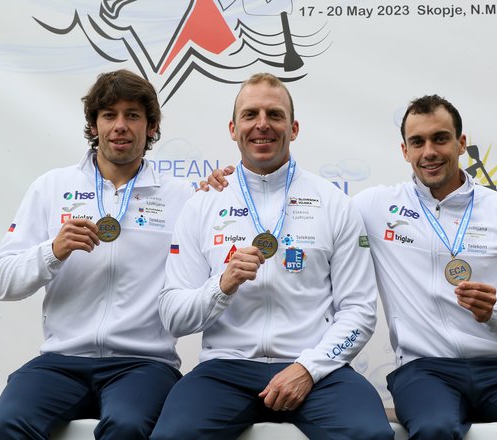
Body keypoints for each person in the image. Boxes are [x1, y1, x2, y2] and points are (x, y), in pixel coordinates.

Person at [150, 73, 394, 440]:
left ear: (293, 128)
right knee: (172, 436)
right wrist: (222, 285)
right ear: (233, 129)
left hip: (317, 368)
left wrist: (308, 368)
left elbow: (358, 311)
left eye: (274, 115)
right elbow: (173, 317)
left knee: (370, 434)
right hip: (226, 369)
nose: (262, 124)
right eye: (250, 115)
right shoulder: (202, 203)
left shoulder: (334, 203)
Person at [351, 94, 497, 439]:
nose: (429, 151)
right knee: (435, 429)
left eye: (440, 138)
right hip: (425, 370)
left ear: (461, 144)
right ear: (405, 151)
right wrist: (240, 184)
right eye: (417, 142)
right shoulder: (375, 206)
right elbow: (316, 212)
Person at [0, 69, 194, 440]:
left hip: (143, 364)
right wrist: (52, 252)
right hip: (61, 361)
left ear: (152, 126)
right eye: (109, 115)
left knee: (128, 426)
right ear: (93, 124)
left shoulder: (182, 197)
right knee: (6, 424)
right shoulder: (52, 187)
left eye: (132, 115)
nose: (120, 126)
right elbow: (2, 282)